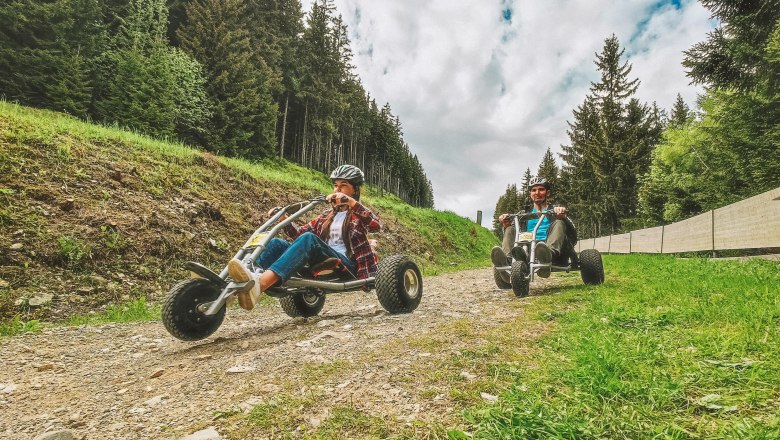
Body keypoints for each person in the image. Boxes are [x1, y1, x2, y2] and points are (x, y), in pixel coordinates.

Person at [227, 164, 381, 310]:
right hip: (322, 257)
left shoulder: (358, 214)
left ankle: (260, 284)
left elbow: (375, 225)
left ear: (354, 189)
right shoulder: (326, 216)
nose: (337, 189)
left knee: (309, 238)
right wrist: (284, 220)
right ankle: (233, 290)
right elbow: (299, 236)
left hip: (348, 265)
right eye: (336, 185)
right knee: (275, 243)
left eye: (343, 185)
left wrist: (352, 203)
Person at [491, 176, 575, 277]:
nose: (537, 193)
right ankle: (507, 263)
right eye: (534, 190)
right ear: (530, 194)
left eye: (541, 189)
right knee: (510, 228)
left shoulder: (556, 211)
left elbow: (572, 235)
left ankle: (547, 256)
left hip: (550, 249)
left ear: (547, 192)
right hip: (527, 248)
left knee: (559, 223)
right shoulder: (522, 215)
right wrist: (506, 224)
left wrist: (563, 217)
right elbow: (512, 233)